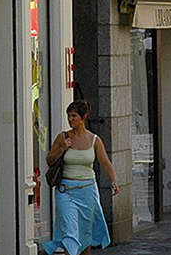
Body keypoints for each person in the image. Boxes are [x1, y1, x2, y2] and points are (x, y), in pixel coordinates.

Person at [43, 100, 117, 255]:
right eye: (68, 115)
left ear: (83, 117)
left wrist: (114, 180)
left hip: (88, 191)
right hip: (66, 191)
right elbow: (50, 160)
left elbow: (104, 161)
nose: (70, 119)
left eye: (74, 116)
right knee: (69, 231)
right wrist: (63, 148)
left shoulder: (94, 140)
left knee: (85, 231)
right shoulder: (62, 137)